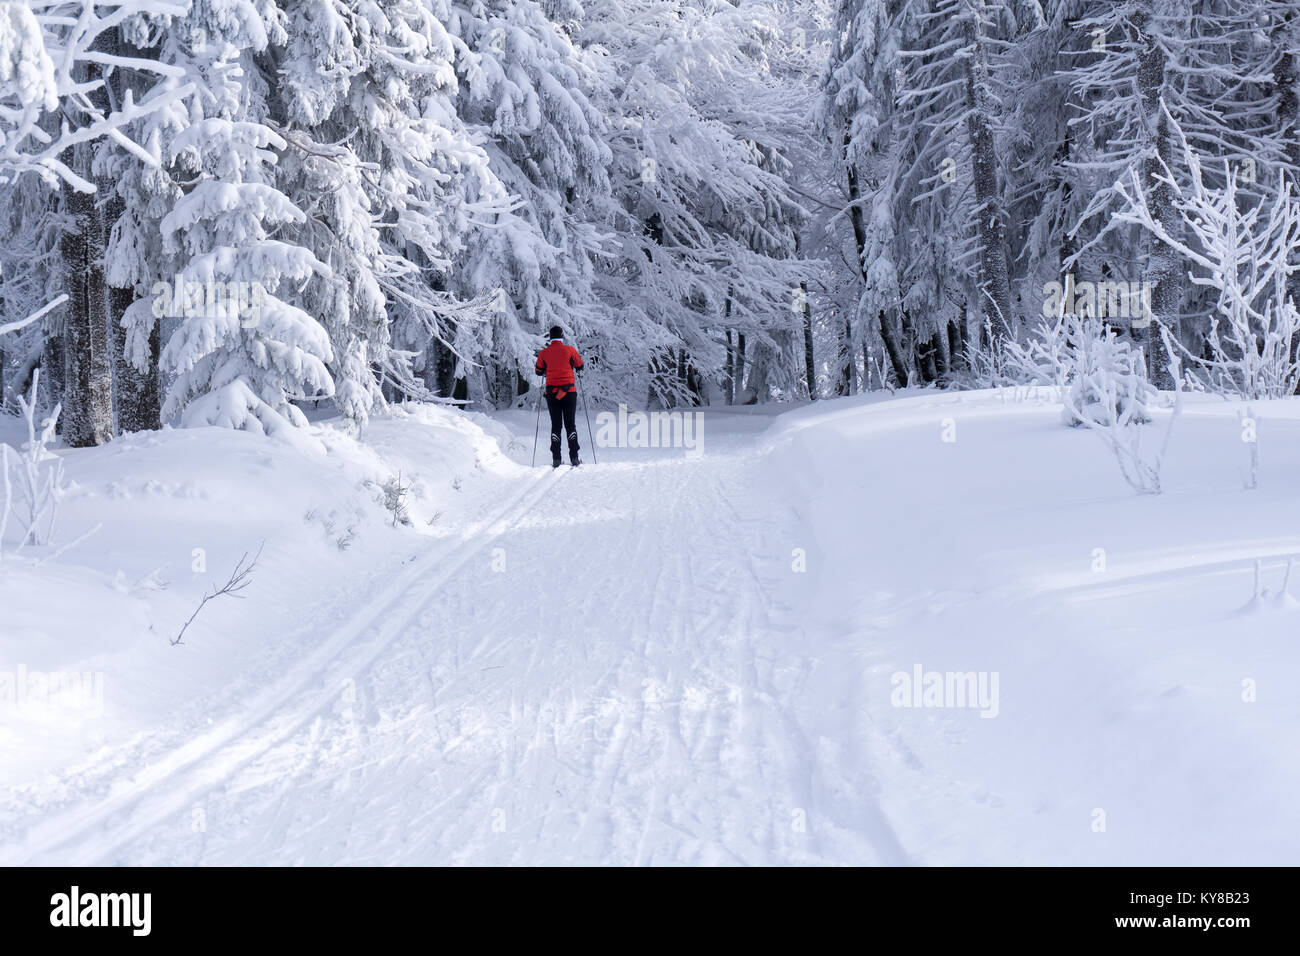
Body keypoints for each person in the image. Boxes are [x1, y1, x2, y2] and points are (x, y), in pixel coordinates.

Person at [534, 325, 585, 467]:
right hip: (569, 393)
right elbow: (580, 365)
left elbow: (538, 371)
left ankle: (556, 459)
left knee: (556, 425)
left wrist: (547, 369)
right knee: (570, 425)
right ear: (562, 336)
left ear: (550, 338)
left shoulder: (544, 353)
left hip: (552, 394)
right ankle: (574, 457)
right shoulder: (570, 350)